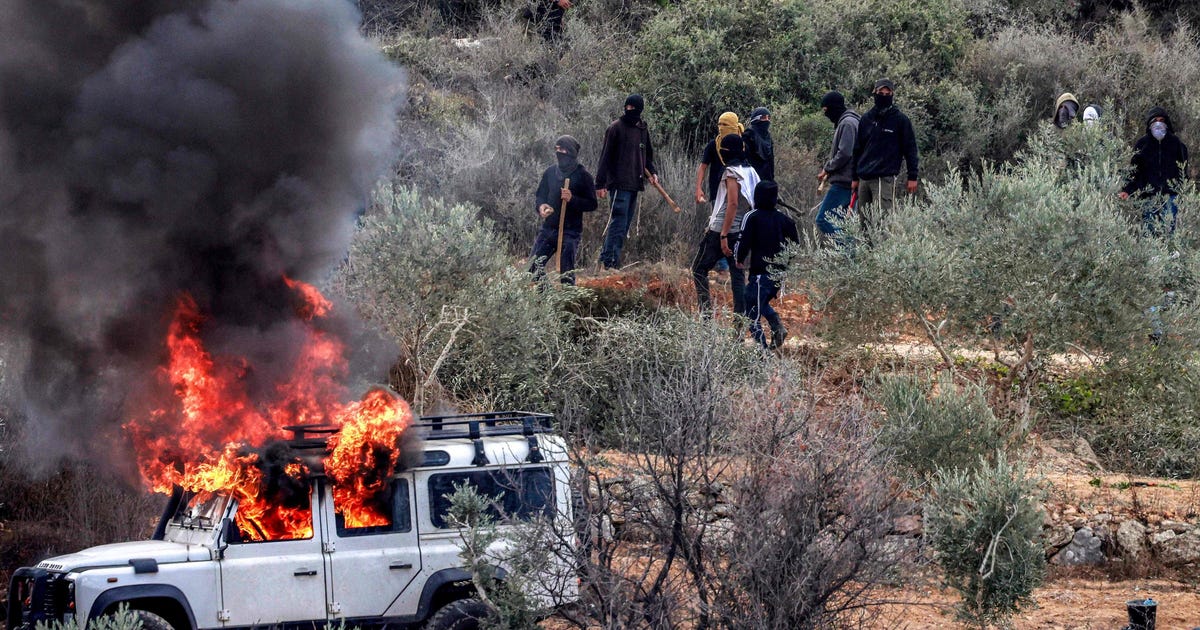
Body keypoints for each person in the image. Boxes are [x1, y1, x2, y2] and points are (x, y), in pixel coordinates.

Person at [691, 134, 760, 317]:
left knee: (698, 269)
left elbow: (733, 203)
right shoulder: (751, 171)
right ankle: (739, 321)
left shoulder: (731, 172)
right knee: (738, 275)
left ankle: (705, 315)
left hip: (722, 229)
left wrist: (723, 234)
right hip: (741, 230)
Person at [851, 78, 919, 246]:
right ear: (874, 93)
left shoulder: (900, 120)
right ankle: (867, 261)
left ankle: (884, 262)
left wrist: (913, 176)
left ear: (893, 95)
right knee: (864, 225)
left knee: (882, 223)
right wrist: (854, 177)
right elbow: (857, 150)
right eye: (881, 93)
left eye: (888, 93)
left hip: (884, 178)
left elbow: (910, 149)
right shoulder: (866, 119)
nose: (884, 96)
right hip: (864, 178)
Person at [596, 94, 658, 269]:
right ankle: (610, 263)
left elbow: (647, 156)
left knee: (624, 225)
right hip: (618, 184)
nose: (629, 111)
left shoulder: (642, 129)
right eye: (627, 107)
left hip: (635, 183)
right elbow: (605, 157)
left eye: (633, 108)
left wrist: (652, 172)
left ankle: (607, 259)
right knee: (618, 222)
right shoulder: (615, 128)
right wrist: (600, 184)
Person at [736, 181, 799, 349]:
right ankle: (770, 336)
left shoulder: (752, 216)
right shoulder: (786, 220)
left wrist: (738, 258)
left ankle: (763, 346)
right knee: (759, 302)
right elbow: (795, 246)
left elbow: (743, 241)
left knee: (751, 308)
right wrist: (785, 264)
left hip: (759, 273)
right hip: (779, 274)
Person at [529, 135, 598, 284]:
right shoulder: (550, 172)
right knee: (532, 267)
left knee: (566, 274)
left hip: (570, 232)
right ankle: (547, 297)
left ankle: (566, 304)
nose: (559, 152)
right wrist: (542, 206)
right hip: (549, 228)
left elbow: (592, 203)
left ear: (571, 152)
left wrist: (572, 199)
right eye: (557, 149)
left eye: (562, 149)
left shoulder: (583, 176)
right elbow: (540, 195)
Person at [1120, 106, 1189, 236]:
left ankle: (1169, 254)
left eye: (1162, 120)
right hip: (1148, 196)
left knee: (1168, 231)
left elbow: (1183, 170)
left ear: (1167, 123)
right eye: (1155, 120)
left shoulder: (1176, 143)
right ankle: (1153, 257)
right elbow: (1134, 171)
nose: (1159, 123)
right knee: (1150, 233)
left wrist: (1182, 191)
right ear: (1149, 124)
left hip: (1170, 196)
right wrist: (1127, 190)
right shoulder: (1142, 144)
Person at [694, 112, 743, 273]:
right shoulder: (713, 144)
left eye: (725, 125)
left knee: (736, 228)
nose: (721, 128)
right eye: (719, 125)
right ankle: (723, 266)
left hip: (740, 195)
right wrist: (698, 188)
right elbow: (703, 166)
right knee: (719, 226)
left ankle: (735, 263)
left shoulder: (742, 143)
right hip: (718, 193)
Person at [815, 91, 859, 245]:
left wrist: (828, 168)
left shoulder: (847, 123)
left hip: (844, 182)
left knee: (823, 220)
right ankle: (846, 259)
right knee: (841, 223)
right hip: (849, 180)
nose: (826, 114)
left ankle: (848, 250)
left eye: (826, 110)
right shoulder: (849, 121)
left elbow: (845, 153)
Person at [743, 107, 775, 181]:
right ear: (756, 119)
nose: (767, 120)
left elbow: (771, 160)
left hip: (767, 179)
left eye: (768, 117)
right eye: (763, 117)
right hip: (752, 179)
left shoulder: (768, 137)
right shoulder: (748, 136)